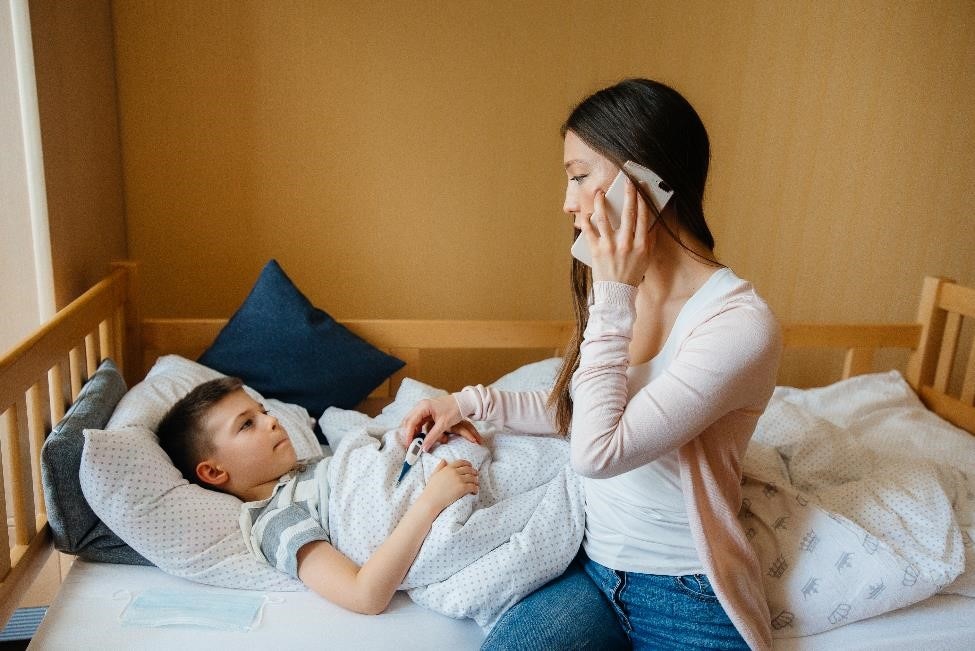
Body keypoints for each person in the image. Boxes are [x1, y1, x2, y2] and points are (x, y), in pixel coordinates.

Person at [400, 78, 782, 650]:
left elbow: (596, 452)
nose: (567, 201)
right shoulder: (624, 293)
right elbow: (581, 414)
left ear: (648, 181)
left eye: (580, 176)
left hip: (689, 595)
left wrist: (612, 294)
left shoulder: (738, 324)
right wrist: (466, 402)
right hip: (593, 577)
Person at [156, 376, 479, 617]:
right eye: (246, 425)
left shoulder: (304, 470)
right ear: (213, 472)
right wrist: (430, 502)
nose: (271, 421)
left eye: (264, 411)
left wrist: (423, 438)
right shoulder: (276, 520)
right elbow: (364, 595)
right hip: (441, 498)